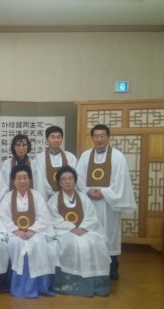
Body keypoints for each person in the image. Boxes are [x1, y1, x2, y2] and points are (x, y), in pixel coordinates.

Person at [76, 124, 136, 280]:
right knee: (90, 232)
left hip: (109, 203)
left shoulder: (118, 156)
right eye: (96, 136)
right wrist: (88, 191)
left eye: (102, 136)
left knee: (110, 233)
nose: (99, 139)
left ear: (108, 137)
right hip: (90, 203)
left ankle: (111, 268)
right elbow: (79, 177)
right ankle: (91, 267)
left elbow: (121, 180)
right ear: (92, 138)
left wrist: (104, 192)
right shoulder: (85, 156)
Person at [47, 166, 111, 296]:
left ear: (75, 181)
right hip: (64, 232)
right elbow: (53, 219)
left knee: (96, 243)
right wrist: (71, 228)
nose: (67, 181)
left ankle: (96, 285)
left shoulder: (83, 198)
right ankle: (68, 283)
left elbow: (91, 216)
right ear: (59, 182)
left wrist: (82, 228)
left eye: (70, 178)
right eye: (64, 179)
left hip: (84, 230)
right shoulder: (54, 199)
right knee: (67, 244)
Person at [0, 164, 58, 298]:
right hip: (15, 234)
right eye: (18, 178)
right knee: (17, 245)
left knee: (38, 244)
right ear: (13, 181)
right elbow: (4, 217)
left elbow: (43, 217)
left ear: (30, 180)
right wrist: (15, 231)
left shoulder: (37, 196)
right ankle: (18, 287)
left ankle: (40, 286)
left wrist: (32, 230)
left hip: (35, 232)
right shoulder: (8, 197)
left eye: (25, 178)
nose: (22, 181)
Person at [34, 126, 78, 201]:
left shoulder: (70, 157)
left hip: (67, 196)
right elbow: (40, 180)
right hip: (47, 197)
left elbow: (75, 177)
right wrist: (51, 193)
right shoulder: (39, 158)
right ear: (47, 139)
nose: (56, 140)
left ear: (62, 139)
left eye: (59, 137)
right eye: (53, 137)